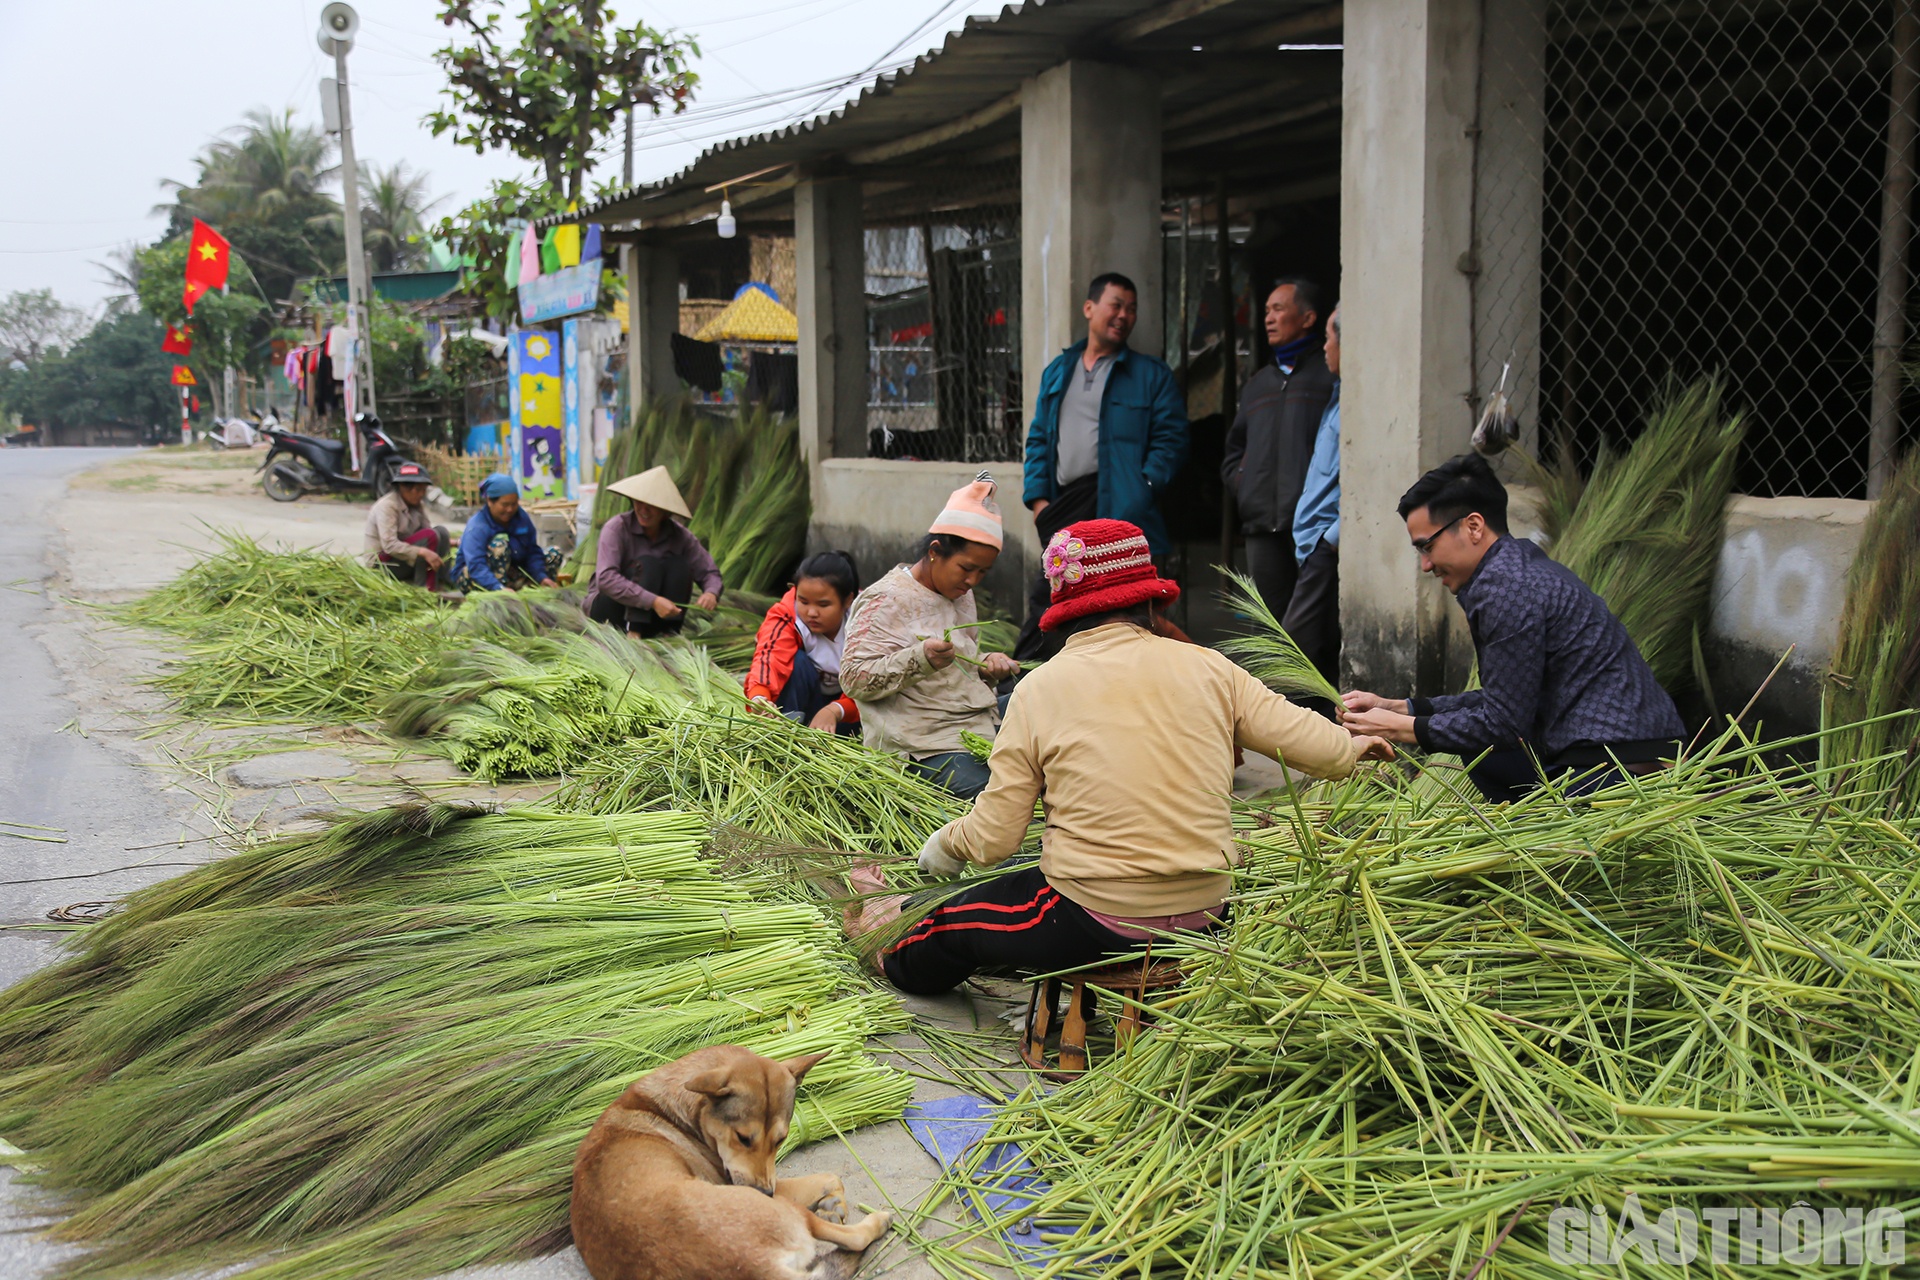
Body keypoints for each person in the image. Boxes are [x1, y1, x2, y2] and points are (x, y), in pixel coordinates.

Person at [851, 518, 1394, 995]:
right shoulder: (1209, 667)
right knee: (1003, 899)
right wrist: (1357, 746)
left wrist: (943, 846)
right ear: (1152, 601)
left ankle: (885, 941)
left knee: (952, 923)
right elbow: (1319, 746)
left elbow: (995, 840)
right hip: (1209, 913)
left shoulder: (1043, 689)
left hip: (1094, 917)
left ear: (1062, 613)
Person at [1341, 453, 1686, 802]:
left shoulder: (1506, 589)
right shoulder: (1511, 569)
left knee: (1486, 748)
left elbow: (1503, 725)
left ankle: (1555, 835)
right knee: (1486, 756)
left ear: (1474, 526)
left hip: (1620, 767)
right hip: (1612, 753)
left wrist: (1397, 728)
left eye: (1427, 547)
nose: (1426, 565)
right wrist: (1403, 708)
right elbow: (1506, 699)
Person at [1016, 272, 1189, 662]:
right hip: (1066, 511)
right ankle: (1032, 683)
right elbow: (1039, 439)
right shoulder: (1059, 371)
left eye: (1132, 309)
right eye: (1116, 305)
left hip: (1125, 512)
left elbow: (1172, 441)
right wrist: (1040, 501)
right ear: (1090, 308)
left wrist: (1141, 486)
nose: (1124, 315)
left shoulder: (1151, 375)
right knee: (1053, 608)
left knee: (1132, 620)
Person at [840, 472, 1021, 799]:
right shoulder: (887, 599)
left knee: (1046, 709)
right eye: (966, 568)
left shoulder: (960, 594)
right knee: (1003, 792)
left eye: (983, 572)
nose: (973, 581)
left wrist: (985, 666)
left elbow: (958, 669)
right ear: (936, 551)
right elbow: (853, 679)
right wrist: (920, 659)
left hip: (973, 723)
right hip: (922, 747)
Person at [1220, 278, 1336, 623]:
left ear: (1308, 318)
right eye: (1267, 310)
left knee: (1316, 622)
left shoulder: (1328, 376)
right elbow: (1234, 449)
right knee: (1272, 627)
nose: (1269, 318)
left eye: (1279, 309)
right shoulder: (1258, 384)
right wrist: (1244, 487)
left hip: (1312, 523)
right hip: (1261, 525)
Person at [1280, 303, 1342, 693]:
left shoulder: (1358, 403)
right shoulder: (1337, 395)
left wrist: (1330, 540)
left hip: (1324, 542)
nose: (1324, 347)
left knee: (1292, 652)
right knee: (1319, 650)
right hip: (1311, 541)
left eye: (1330, 338)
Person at [583, 466, 722, 637]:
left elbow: (709, 572)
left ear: (666, 511)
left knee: (679, 566)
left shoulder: (680, 536)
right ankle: (634, 634)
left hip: (656, 615)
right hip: (610, 610)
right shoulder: (616, 528)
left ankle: (668, 633)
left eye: (652, 505)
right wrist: (653, 601)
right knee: (649, 565)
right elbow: (606, 579)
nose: (643, 509)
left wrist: (711, 592)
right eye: (639, 502)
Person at [745, 550, 862, 734]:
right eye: (804, 601)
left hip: (849, 711)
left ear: (847, 600)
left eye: (823, 605)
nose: (811, 613)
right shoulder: (786, 614)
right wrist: (760, 697)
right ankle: (787, 733)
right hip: (806, 702)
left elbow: (873, 682)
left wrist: (836, 710)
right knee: (797, 661)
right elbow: (770, 656)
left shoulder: (867, 620)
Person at [451, 474, 561, 593]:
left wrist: (541, 576)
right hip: (477, 579)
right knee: (499, 546)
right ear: (489, 501)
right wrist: (497, 587)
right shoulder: (477, 526)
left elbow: (532, 552)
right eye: (505, 505)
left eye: (514, 504)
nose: (510, 509)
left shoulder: (521, 518)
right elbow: (476, 565)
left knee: (553, 553)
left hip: (511, 573)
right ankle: (500, 596)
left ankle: (537, 590)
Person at [363, 459, 447, 589]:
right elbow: (389, 545)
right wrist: (422, 551)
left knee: (441, 532)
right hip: (383, 565)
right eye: (419, 490)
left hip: (403, 558)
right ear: (406, 489)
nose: (421, 494)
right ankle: (425, 588)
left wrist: (456, 542)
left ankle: (443, 580)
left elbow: (430, 532)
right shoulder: (387, 506)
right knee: (429, 537)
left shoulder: (416, 504)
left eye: (423, 490)